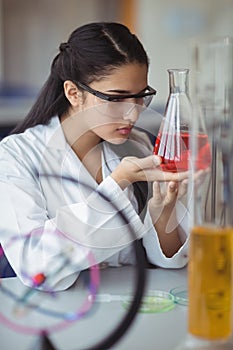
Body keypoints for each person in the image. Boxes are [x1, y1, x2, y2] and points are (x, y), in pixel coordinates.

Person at [0, 22, 190, 291]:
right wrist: (117, 184)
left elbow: (165, 260)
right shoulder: (16, 155)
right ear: (74, 93)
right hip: (63, 316)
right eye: (116, 99)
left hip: (131, 307)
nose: (133, 114)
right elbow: (36, 268)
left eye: (140, 97)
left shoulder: (137, 146)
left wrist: (164, 212)